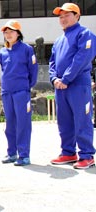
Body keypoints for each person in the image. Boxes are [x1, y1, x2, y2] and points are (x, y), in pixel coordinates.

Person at [49, 3, 96, 169]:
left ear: (77, 16)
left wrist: (66, 79)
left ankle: (86, 155)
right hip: (61, 86)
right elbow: (52, 62)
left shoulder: (85, 34)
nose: (63, 19)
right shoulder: (59, 40)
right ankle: (68, 152)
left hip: (78, 85)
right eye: (60, 16)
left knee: (82, 120)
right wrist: (54, 79)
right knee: (64, 121)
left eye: (67, 15)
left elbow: (82, 58)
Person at [0, 20, 38, 166]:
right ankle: (12, 153)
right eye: (6, 32)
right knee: (10, 124)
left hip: (21, 92)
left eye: (11, 32)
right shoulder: (2, 52)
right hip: (7, 92)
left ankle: (24, 155)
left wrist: (27, 87)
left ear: (18, 33)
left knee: (23, 124)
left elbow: (33, 70)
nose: (8, 35)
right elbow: (4, 70)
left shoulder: (27, 49)